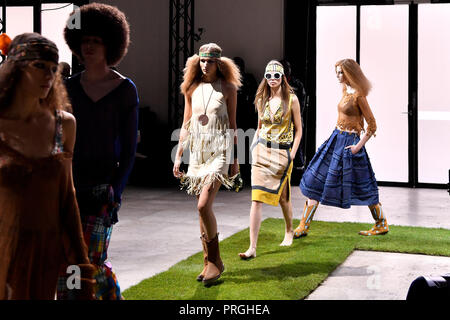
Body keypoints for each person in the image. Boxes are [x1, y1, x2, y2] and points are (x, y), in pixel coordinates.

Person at [0, 32, 94, 300]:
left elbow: (67, 198)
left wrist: (81, 265)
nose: (48, 75)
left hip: (42, 250)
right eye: (39, 66)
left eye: (53, 69)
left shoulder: (63, 125)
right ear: (15, 69)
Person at [58, 3, 139, 300]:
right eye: (85, 40)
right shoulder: (67, 89)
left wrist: (115, 192)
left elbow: (130, 149)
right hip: (67, 189)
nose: (89, 46)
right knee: (67, 263)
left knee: (91, 263)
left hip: (102, 190)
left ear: (110, 44)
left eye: (97, 40)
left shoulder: (124, 90)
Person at [294, 58, 389, 238]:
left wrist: (357, 147)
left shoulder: (359, 96)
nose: (338, 76)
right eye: (336, 72)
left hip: (350, 144)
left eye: (341, 72)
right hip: (335, 139)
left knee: (363, 184)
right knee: (316, 179)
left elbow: (372, 125)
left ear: (349, 73)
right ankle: (303, 226)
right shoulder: (345, 90)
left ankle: (381, 223)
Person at [173, 43, 241, 285]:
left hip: (220, 150)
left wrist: (236, 159)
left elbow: (233, 125)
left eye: (209, 61)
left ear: (218, 63)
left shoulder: (229, 88)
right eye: (202, 61)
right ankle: (208, 262)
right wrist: (179, 155)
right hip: (199, 152)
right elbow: (186, 124)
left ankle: (216, 261)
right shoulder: (191, 88)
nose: (205, 65)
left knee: (203, 205)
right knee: (199, 210)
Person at [238, 60, 302, 259]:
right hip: (261, 151)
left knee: (283, 197)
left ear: (283, 77)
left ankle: (289, 230)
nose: (272, 79)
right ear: (265, 78)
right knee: (256, 198)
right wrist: (254, 146)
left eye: (276, 75)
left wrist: (292, 154)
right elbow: (259, 127)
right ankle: (252, 248)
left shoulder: (292, 100)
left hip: (282, 152)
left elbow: (299, 130)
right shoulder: (262, 98)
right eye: (269, 76)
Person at [233, 56, 258, 187]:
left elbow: (256, 96)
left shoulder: (249, 79)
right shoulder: (229, 80)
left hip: (247, 119)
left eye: (240, 65)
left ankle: (248, 176)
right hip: (235, 119)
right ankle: (236, 177)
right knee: (236, 150)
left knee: (248, 150)